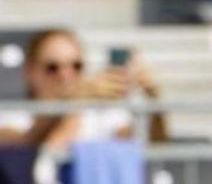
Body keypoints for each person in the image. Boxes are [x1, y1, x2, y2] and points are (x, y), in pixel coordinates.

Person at [0, 29, 168, 148]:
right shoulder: (12, 118)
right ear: (29, 71)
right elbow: (28, 148)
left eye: (76, 66)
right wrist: (72, 101)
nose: (66, 75)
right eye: (53, 67)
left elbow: (153, 146)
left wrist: (154, 98)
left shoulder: (104, 118)